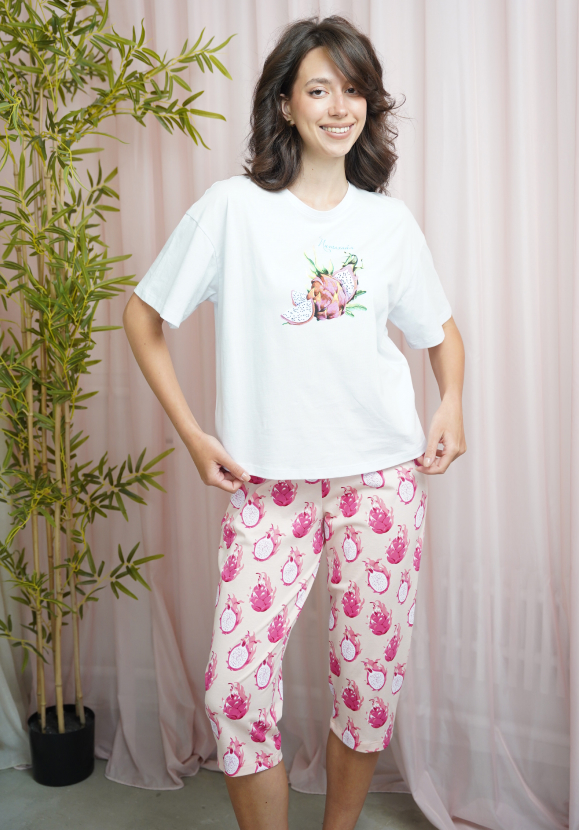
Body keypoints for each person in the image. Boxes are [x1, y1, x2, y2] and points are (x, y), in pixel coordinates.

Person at [123, 14, 466, 830]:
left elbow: (442, 333)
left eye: (354, 91)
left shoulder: (387, 223)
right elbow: (144, 316)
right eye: (319, 90)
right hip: (268, 489)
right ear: (284, 103)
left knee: (367, 686)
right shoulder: (232, 210)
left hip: (380, 484)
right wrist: (194, 435)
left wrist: (451, 401)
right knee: (235, 692)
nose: (339, 108)